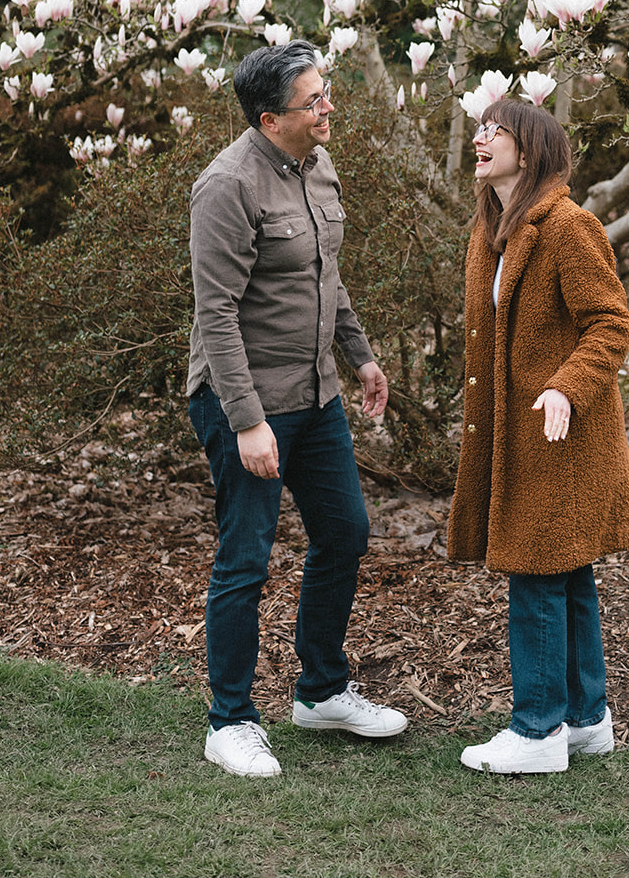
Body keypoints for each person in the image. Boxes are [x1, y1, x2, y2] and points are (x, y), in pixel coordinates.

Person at [187, 39, 407, 778]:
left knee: (345, 533)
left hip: (316, 394)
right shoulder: (227, 186)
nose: (328, 107)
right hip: (245, 399)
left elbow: (326, 273)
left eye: (326, 92)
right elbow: (215, 314)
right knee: (246, 559)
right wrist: (247, 421)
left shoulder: (317, 164)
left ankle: (319, 693)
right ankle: (230, 721)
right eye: (314, 100)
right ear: (269, 116)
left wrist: (362, 354)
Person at [447, 98, 629, 773]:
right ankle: (586, 720)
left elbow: (610, 323)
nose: (480, 139)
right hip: (519, 440)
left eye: (495, 132)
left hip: (562, 440)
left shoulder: (568, 226)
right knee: (566, 575)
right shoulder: (492, 230)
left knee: (536, 571)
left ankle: (536, 731)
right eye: (479, 128)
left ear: (529, 151)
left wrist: (565, 385)